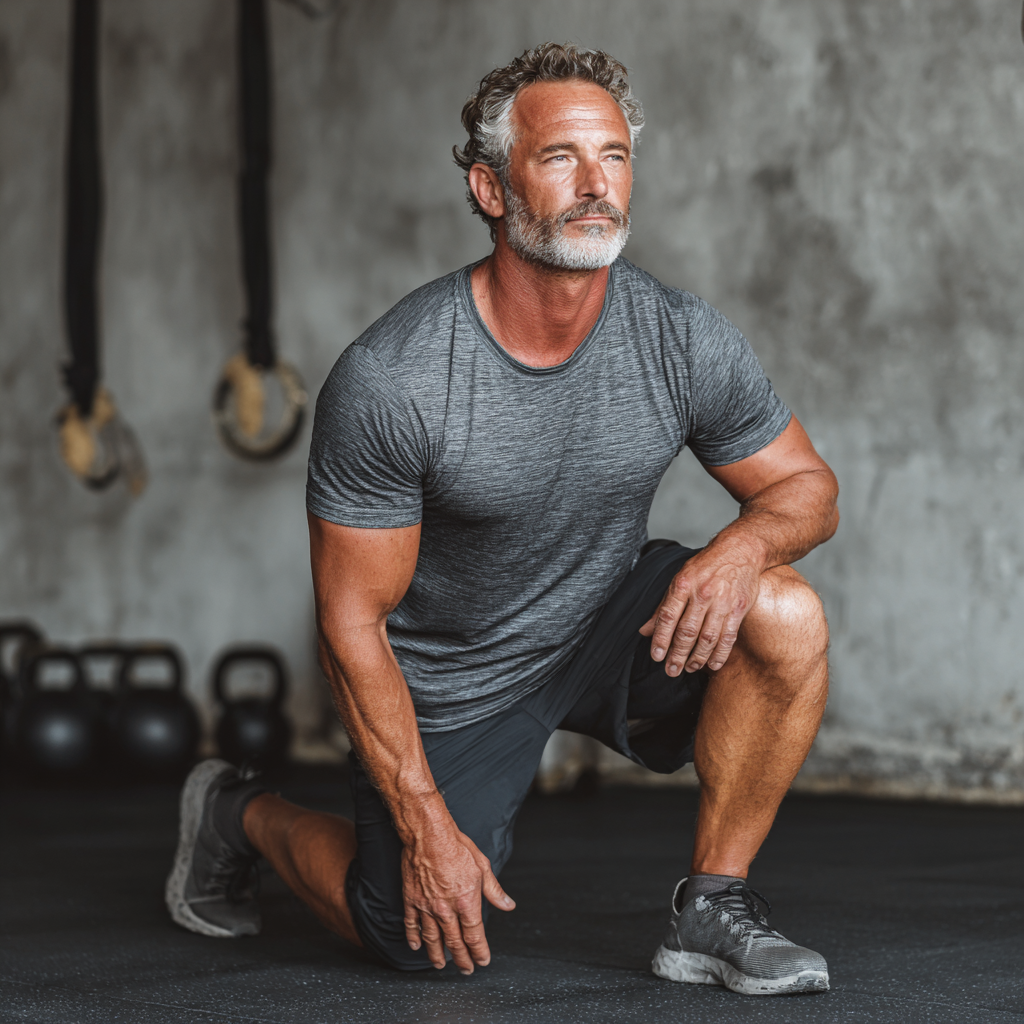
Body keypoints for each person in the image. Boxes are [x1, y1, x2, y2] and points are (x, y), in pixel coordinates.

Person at [165, 42, 838, 998]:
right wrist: (423, 822)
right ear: (490, 188)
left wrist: (742, 546)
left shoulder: (679, 336)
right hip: (455, 680)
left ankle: (712, 906)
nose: (596, 183)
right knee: (415, 935)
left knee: (785, 611)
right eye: (560, 157)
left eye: (613, 155)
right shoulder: (395, 379)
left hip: (604, 619)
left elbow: (808, 488)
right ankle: (239, 811)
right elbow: (349, 626)